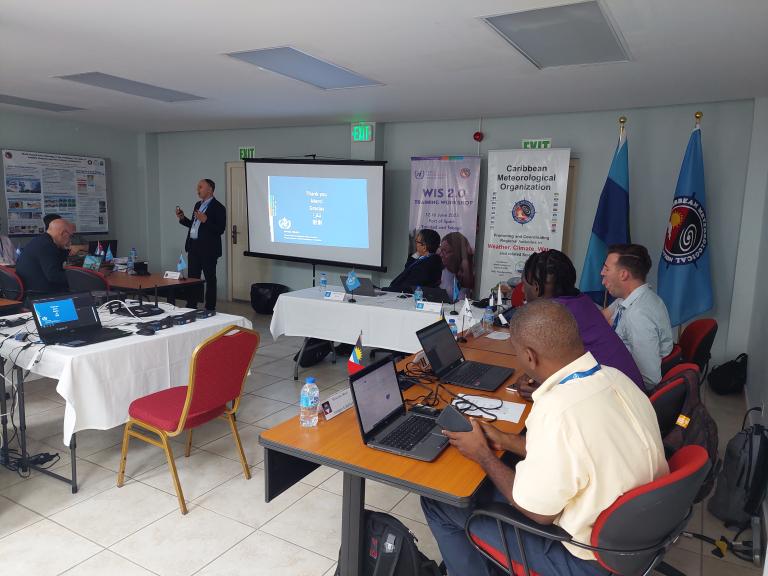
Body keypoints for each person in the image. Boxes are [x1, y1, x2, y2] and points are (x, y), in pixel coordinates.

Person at [421, 300, 668, 576]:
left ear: (529, 356)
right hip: (634, 534)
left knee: (439, 503)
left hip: (585, 559)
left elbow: (538, 513)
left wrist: (483, 454)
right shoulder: (616, 378)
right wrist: (504, 440)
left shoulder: (557, 409)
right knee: (492, 480)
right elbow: (576, 453)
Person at [516, 249, 645, 393]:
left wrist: (543, 388)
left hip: (616, 397)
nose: (522, 291)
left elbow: (546, 370)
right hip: (627, 392)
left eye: (524, 284)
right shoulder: (580, 301)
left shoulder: (553, 317)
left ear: (537, 288)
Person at [600, 243, 674, 390]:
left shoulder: (638, 315)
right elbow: (600, 319)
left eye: (607, 268)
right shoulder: (629, 298)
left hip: (630, 388)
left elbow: (649, 379)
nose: (602, 273)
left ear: (623, 274)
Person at [176, 178, 226, 311]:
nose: (197, 190)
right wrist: (182, 218)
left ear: (210, 189)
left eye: (200, 187)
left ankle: (210, 307)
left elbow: (220, 229)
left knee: (210, 279)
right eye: (198, 187)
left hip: (209, 250)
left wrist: (206, 220)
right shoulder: (198, 204)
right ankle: (191, 305)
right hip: (193, 247)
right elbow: (193, 225)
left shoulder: (219, 207)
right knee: (193, 279)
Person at [15, 218, 73, 297]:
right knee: (84, 290)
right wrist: (77, 277)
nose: (70, 239)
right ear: (64, 233)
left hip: (31, 289)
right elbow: (54, 276)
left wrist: (64, 249)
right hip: (41, 294)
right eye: (71, 236)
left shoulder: (40, 240)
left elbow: (55, 262)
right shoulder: (47, 246)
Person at [438, 231, 475, 298]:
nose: (441, 255)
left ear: (458, 253)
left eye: (445, 251)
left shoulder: (472, 274)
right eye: (441, 250)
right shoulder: (441, 272)